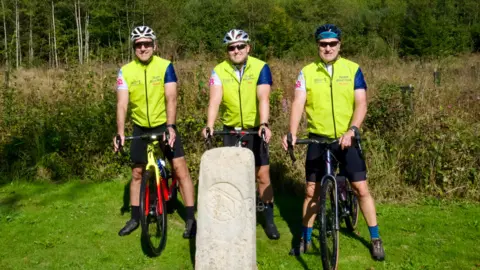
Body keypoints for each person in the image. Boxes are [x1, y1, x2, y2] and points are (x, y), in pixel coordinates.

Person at [282, 24, 385, 260]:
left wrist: (352, 130)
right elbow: (298, 102)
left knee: (360, 188)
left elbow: (361, 103)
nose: (327, 48)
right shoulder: (306, 72)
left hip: (346, 138)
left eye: (332, 44)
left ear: (340, 44)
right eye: (323, 44)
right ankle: (305, 239)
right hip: (318, 139)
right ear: (317, 45)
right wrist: (292, 132)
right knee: (311, 191)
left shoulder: (353, 69)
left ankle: (376, 238)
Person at [113, 25, 196, 239]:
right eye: (138, 44)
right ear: (134, 48)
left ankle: (190, 218)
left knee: (180, 168)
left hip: (163, 124)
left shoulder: (166, 66)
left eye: (147, 43)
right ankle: (134, 218)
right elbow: (122, 104)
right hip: (140, 125)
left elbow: (171, 97)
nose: (143, 47)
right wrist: (120, 132)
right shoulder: (125, 70)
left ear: (154, 45)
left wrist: (170, 126)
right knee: (137, 173)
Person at [201, 29, 280, 240]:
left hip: (255, 129)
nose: (236, 50)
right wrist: (209, 125)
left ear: (248, 47)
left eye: (240, 46)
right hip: (230, 128)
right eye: (231, 47)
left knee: (262, 175)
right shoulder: (219, 70)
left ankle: (269, 220)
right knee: (231, 177)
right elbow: (215, 101)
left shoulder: (261, 67)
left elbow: (263, 98)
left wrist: (264, 123)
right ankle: (233, 216)